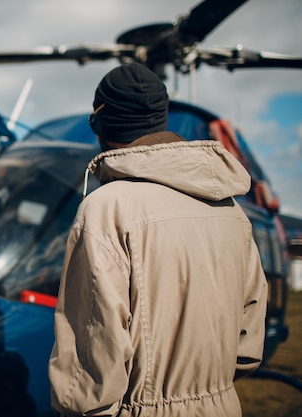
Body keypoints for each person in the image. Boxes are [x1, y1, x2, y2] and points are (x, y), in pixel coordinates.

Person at [48, 62, 267, 417]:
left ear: (102, 124)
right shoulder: (232, 212)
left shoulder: (106, 207)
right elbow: (248, 341)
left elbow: (90, 365)